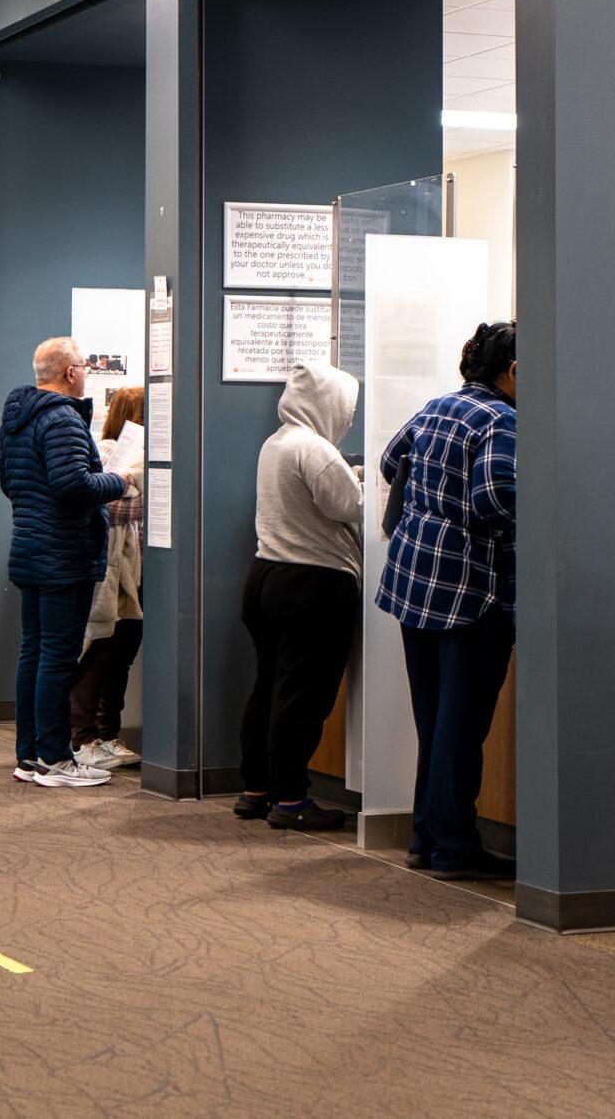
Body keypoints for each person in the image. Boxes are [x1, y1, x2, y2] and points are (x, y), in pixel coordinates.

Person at [375, 321, 517, 881]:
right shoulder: (503, 420)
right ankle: (454, 848)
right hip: (471, 592)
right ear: (515, 371)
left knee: (434, 720)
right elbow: (497, 499)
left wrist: (432, 506)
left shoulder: (437, 406)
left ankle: (426, 839)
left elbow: (391, 462)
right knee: (461, 726)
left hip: (416, 581)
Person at [236, 360, 365, 832]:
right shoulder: (315, 449)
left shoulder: (278, 442)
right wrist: (368, 483)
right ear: (330, 404)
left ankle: (257, 789)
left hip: (266, 575)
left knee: (268, 686)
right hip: (313, 584)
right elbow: (352, 506)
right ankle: (291, 800)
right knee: (302, 698)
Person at [0, 337, 130, 788]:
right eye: (84, 366)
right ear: (70, 372)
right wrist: (120, 480)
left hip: (30, 548)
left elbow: (10, 484)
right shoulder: (62, 420)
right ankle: (55, 758)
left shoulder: (19, 418)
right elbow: (73, 487)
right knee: (57, 656)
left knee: (34, 653)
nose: (88, 373)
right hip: (64, 554)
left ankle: (31, 755)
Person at [71, 386, 147, 772]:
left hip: (136, 573)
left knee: (122, 657)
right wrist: (136, 482)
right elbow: (111, 507)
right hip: (109, 573)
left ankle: (107, 734)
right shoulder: (102, 452)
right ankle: (82, 737)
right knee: (100, 653)